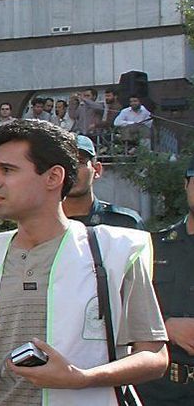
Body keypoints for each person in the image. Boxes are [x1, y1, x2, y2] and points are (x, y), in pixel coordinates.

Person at [0, 119, 168, 406]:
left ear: (53, 177)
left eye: (7, 170)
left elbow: (154, 356)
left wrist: (83, 377)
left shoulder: (115, 252)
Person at [135, 158, 194, 405]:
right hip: (161, 392)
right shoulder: (151, 246)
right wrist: (166, 325)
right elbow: (122, 310)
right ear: (186, 184)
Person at [62, 135, 144, 230]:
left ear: (96, 170)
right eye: (64, 163)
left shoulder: (125, 223)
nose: (72, 170)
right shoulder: (42, 225)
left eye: (80, 162)